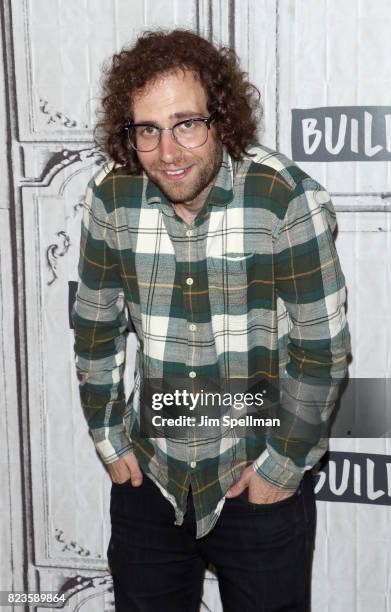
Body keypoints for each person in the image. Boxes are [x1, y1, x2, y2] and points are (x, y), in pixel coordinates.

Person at [72, 29, 350, 612]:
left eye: (186, 124)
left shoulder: (281, 196)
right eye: (148, 129)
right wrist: (106, 433)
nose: (168, 152)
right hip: (150, 478)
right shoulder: (111, 196)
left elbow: (321, 349)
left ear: (220, 119)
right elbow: (95, 327)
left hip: (255, 474)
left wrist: (282, 465)